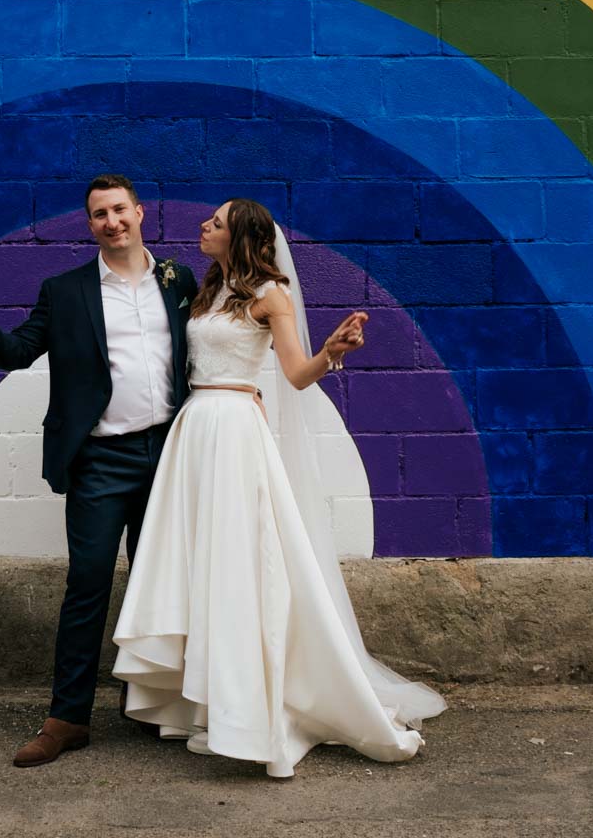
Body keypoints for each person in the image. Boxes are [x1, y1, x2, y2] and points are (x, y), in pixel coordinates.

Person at [111, 198, 447, 778]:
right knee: (196, 566)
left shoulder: (273, 296)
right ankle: (202, 706)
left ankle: (249, 709)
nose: (204, 226)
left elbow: (294, 373)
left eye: (215, 222)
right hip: (193, 432)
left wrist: (330, 355)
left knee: (239, 567)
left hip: (236, 434)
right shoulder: (205, 290)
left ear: (239, 235)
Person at [0, 174, 198, 767]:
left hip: (170, 454)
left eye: (119, 210)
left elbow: (204, 347)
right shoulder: (66, 289)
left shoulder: (178, 280)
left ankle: (157, 704)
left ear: (140, 213)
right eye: (99, 215)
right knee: (87, 585)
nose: (112, 221)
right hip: (100, 460)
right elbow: (20, 349)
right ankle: (67, 718)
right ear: (91, 226)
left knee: (165, 584)